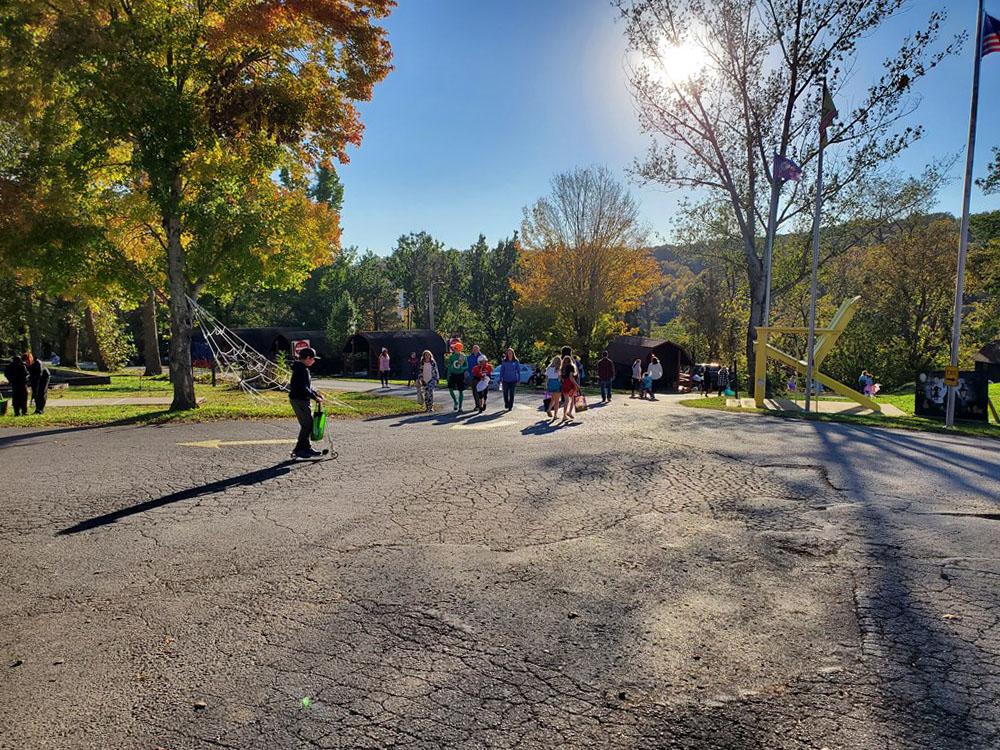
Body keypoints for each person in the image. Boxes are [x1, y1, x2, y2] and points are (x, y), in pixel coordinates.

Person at [288, 347, 324, 458]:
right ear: (308, 358)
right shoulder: (301, 369)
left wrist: (316, 394)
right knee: (307, 425)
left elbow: (307, 386)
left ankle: (305, 448)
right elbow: (303, 387)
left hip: (302, 399)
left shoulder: (302, 368)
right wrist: (314, 397)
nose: (314, 361)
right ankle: (300, 449)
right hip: (299, 400)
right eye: (313, 359)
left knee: (308, 425)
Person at [445, 342, 467, 412]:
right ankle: (455, 401)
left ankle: (460, 407)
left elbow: (467, 366)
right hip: (453, 374)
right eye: (454, 348)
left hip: (460, 375)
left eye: (455, 348)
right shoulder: (451, 357)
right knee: (450, 389)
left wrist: (462, 368)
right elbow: (449, 366)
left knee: (460, 390)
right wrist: (448, 375)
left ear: (459, 349)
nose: (454, 349)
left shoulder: (463, 356)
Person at [559, 354, 579, 422]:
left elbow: (561, 378)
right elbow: (571, 377)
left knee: (566, 401)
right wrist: (577, 385)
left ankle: (564, 415)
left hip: (564, 384)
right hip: (570, 384)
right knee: (572, 399)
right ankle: (569, 412)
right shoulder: (571, 367)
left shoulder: (562, 368)